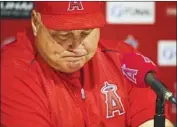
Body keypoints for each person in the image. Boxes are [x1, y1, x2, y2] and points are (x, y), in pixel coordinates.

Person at [1, 1, 174, 127]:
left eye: (86, 33)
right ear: (36, 23)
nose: (76, 46)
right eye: (63, 35)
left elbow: (154, 123)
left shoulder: (125, 61)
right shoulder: (14, 69)